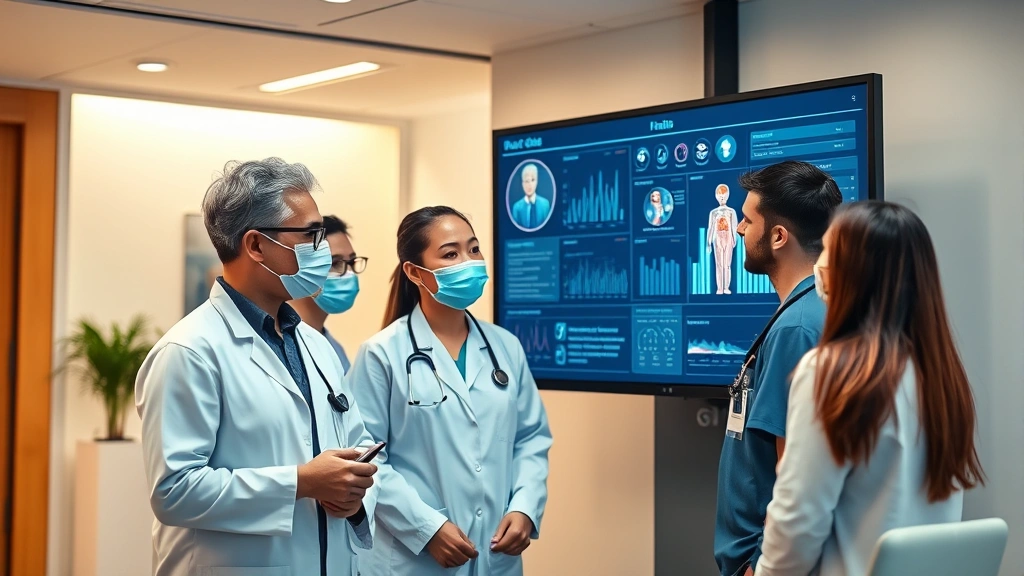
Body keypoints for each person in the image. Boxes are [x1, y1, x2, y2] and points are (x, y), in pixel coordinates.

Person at [136, 158, 378, 576]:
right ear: (256, 246)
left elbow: (357, 444)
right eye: (310, 235)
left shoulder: (315, 346)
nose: (321, 251)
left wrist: (354, 495)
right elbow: (174, 491)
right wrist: (301, 482)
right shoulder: (189, 351)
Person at [755, 201, 984, 576]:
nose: (818, 265)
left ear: (856, 273)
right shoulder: (943, 379)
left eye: (828, 250)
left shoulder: (827, 371)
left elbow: (796, 522)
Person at [347, 205, 553, 576]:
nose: (469, 262)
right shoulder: (382, 354)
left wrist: (524, 507)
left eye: (474, 249)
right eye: (451, 253)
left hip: (494, 554)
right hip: (415, 558)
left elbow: (531, 440)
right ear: (414, 272)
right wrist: (427, 529)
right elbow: (367, 458)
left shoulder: (504, 347)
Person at [714, 160, 842, 576]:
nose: (738, 229)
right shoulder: (814, 311)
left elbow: (793, 472)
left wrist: (758, 563)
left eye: (747, 221)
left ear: (778, 236)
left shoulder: (798, 327)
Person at [291, 215, 369, 374]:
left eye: (352, 263)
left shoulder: (334, 349)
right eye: (335, 263)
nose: (348, 273)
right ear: (302, 269)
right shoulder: (280, 343)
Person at [707, 184, 738, 294]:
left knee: (727, 264)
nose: (722, 197)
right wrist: (708, 243)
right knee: (719, 264)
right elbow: (710, 227)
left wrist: (734, 240)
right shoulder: (714, 212)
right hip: (717, 238)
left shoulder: (731, 211)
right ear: (716, 196)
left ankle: (726, 287)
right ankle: (720, 288)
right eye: (720, 195)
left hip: (728, 237)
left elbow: (734, 226)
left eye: (724, 195)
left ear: (727, 196)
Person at [510, 163, 551, 229]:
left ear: (537, 182)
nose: (530, 185)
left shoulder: (545, 204)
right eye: (527, 181)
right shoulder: (517, 207)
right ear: (522, 184)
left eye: (532, 180)